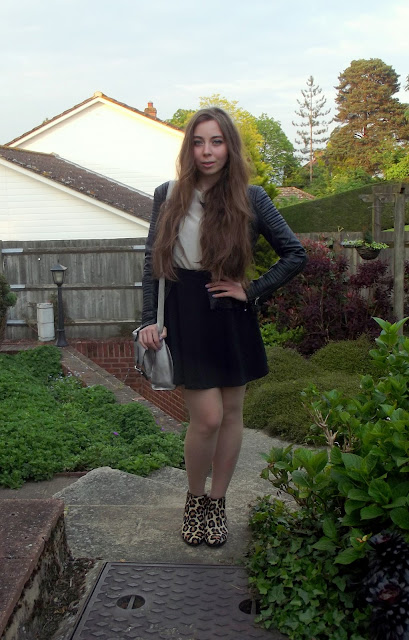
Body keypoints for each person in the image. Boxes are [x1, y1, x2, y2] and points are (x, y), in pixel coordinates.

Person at [138, 107, 307, 548]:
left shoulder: (251, 197)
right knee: (208, 417)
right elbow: (152, 261)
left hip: (231, 312)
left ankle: (217, 503)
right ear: (189, 148)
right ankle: (194, 500)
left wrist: (251, 290)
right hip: (185, 313)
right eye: (198, 142)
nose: (207, 151)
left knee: (232, 414)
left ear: (229, 146)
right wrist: (147, 320)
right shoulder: (168, 194)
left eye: (216, 141)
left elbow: (295, 253)